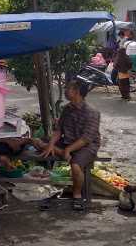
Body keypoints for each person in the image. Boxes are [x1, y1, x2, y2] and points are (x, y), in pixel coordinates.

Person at [32, 80, 100, 211]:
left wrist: (68, 150)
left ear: (77, 92)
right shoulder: (67, 109)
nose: (65, 90)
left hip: (87, 146)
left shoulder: (92, 112)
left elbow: (86, 139)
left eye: (68, 88)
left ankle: (77, 195)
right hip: (67, 141)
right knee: (39, 142)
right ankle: (60, 151)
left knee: (75, 165)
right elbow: (59, 131)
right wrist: (51, 144)